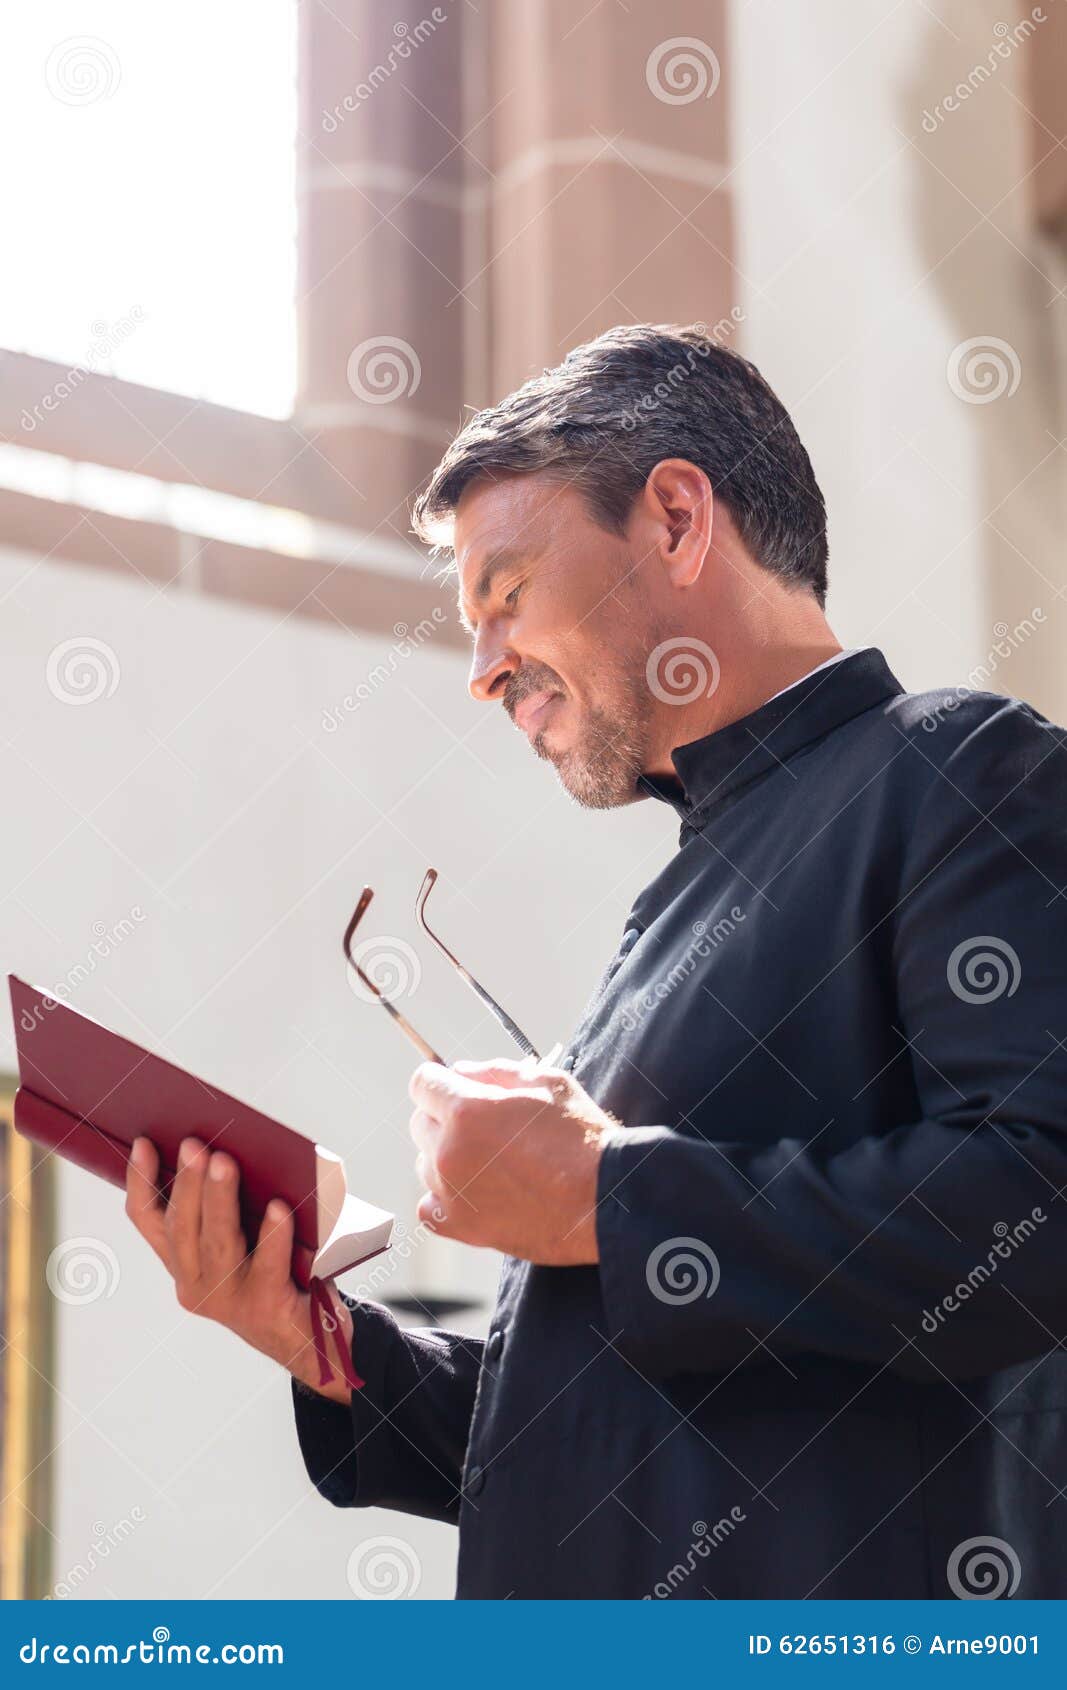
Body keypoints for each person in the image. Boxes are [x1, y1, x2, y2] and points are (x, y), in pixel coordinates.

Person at [126, 324, 1067, 1599]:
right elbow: (591, 1432)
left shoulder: (956, 770)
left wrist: (603, 1199)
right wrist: (324, 1339)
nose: (480, 669)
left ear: (676, 517)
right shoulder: (666, 915)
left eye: (503, 595)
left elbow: (1036, 1200)